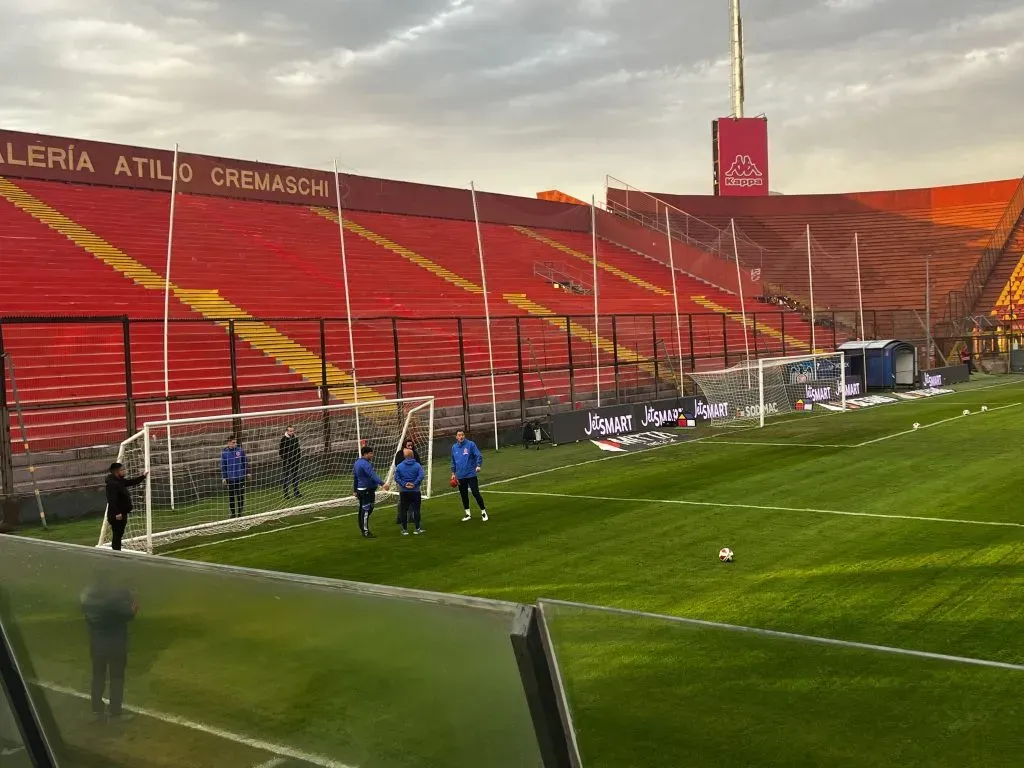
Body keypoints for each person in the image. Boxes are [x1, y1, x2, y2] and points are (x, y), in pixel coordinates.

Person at [80, 570, 138, 723]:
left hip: (96, 644)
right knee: (116, 678)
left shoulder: (87, 595)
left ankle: (96, 711)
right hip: (115, 644)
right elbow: (131, 613)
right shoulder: (113, 599)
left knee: (98, 677)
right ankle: (115, 713)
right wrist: (133, 598)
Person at [104, 462, 148, 552]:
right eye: (122, 470)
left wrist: (143, 476)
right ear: (116, 472)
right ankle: (116, 552)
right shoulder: (112, 484)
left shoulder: (120, 481)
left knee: (119, 533)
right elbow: (111, 500)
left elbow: (131, 482)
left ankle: (117, 550)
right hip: (116, 514)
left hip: (122, 512)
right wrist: (117, 513)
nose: (124, 471)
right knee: (117, 533)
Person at [451, 430, 488, 522]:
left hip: (471, 474)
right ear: (456, 437)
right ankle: (468, 514)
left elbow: (478, 455)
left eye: (462, 435)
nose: (461, 437)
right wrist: (453, 473)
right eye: (459, 435)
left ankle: (483, 512)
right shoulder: (454, 447)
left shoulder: (471, 444)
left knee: (475, 493)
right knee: (464, 495)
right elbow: (453, 461)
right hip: (460, 476)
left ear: (464, 436)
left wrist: (478, 465)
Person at [353, 446, 388, 538]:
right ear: (365, 454)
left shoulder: (357, 463)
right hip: (366, 490)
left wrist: (355, 489)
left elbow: (355, 477)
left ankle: (362, 528)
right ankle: (365, 531)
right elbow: (372, 475)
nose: (372, 455)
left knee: (366, 509)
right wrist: (382, 484)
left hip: (362, 490)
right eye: (370, 453)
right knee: (366, 510)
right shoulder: (365, 464)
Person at [394, 447, 425, 535]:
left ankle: (404, 530)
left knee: (404, 510)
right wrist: (414, 484)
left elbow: (396, 478)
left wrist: (404, 484)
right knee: (416, 510)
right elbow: (421, 476)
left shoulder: (400, 466)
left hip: (404, 492)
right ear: (412, 455)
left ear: (404, 456)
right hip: (415, 491)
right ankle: (417, 528)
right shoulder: (417, 465)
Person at [221, 436, 250, 519]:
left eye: (235, 442)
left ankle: (240, 513)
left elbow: (245, 462)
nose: (235, 444)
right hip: (230, 479)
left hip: (240, 477)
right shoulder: (224, 453)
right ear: (229, 443)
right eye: (233, 442)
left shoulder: (240, 451)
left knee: (240, 495)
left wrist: (247, 472)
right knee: (231, 497)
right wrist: (224, 477)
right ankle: (233, 513)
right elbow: (223, 466)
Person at [279, 425, 301, 499]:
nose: (291, 432)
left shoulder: (295, 438)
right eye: (290, 431)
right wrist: (286, 459)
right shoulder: (283, 439)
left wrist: (298, 457)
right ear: (287, 431)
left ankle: (296, 492)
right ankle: (286, 493)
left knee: (295, 477)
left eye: (292, 431)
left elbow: (298, 449)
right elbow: (281, 452)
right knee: (286, 477)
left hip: (295, 461)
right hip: (287, 462)